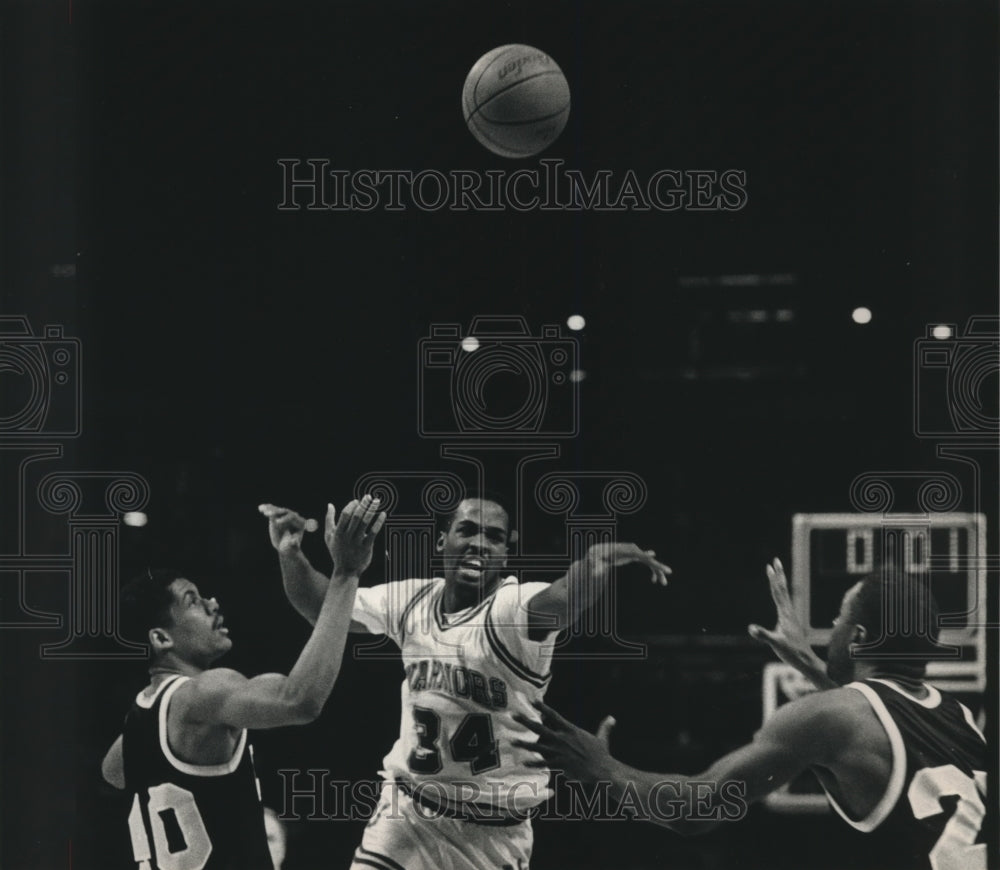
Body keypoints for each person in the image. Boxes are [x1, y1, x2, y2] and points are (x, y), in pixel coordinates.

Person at [261, 493, 671, 870]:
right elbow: (324, 607)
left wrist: (595, 565)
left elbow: (563, 600)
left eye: (494, 537)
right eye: (468, 530)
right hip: (408, 814)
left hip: (492, 834)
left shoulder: (511, 608)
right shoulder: (412, 600)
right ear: (442, 542)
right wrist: (290, 552)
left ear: (506, 554)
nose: (480, 543)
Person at [515, 559, 989, 870]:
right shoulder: (962, 719)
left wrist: (603, 768)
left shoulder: (830, 717)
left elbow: (699, 809)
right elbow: (877, 727)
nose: (832, 627)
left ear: (860, 638)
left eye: (840, 618)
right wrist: (811, 665)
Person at [102, 495, 387, 870]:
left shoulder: (137, 722)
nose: (213, 602)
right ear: (161, 638)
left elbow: (112, 773)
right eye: (193, 601)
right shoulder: (201, 693)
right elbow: (299, 699)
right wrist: (345, 575)